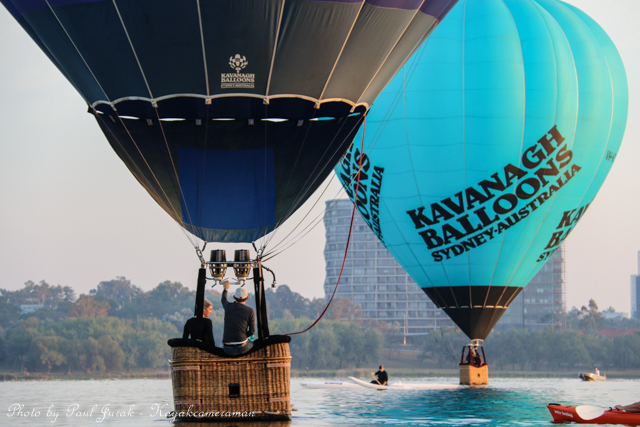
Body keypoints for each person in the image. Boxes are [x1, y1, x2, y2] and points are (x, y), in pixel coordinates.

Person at [221, 280, 255, 356]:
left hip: (228, 348)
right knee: (253, 343)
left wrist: (225, 289)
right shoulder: (250, 310)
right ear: (247, 297)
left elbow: (223, 299)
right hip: (243, 346)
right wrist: (243, 336)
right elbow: (252, 331)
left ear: (234, 297)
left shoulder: (228, 307)